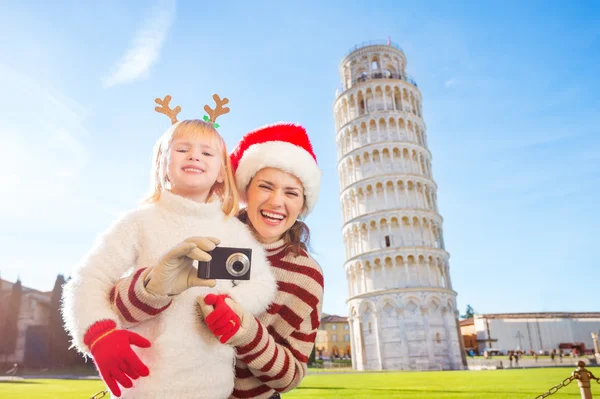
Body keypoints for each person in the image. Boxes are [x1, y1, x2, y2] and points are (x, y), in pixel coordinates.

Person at [61, 95, 277, 399]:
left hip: (213, 390)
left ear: (220, 172)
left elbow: (262, 283)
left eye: (207, 152)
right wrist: (100, 333)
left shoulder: (234, 231)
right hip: (144, 388)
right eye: (182, 149)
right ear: (162, 163)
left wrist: (233, 305)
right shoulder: (139, 221)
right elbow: (89, 277)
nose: (194, 157)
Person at [111, 122, 324, 399]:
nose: (276, 201)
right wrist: (152, 288)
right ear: (246, 189)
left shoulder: (307, 276)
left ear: (303, 204)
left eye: (291, 192)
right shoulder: (203, 233)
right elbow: (118, 307)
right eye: (265, 186)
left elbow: (290, 377)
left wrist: (247, 334)